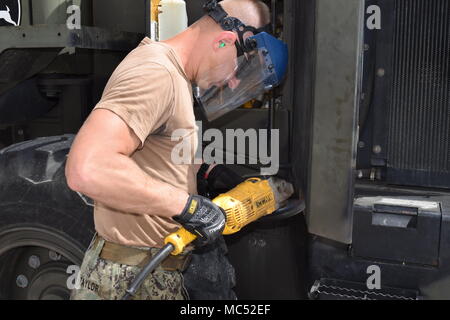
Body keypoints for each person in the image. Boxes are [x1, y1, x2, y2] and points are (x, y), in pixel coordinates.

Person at [66, 0, 287, 300]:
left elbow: (158, 154)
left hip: (153, 268)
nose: (233, 80)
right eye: (239, 66)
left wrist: (207, 172)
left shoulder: (177, 77)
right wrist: (187, 207)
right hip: (130, 276)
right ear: (225, 40)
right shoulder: (157, 74)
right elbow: (87, 169)